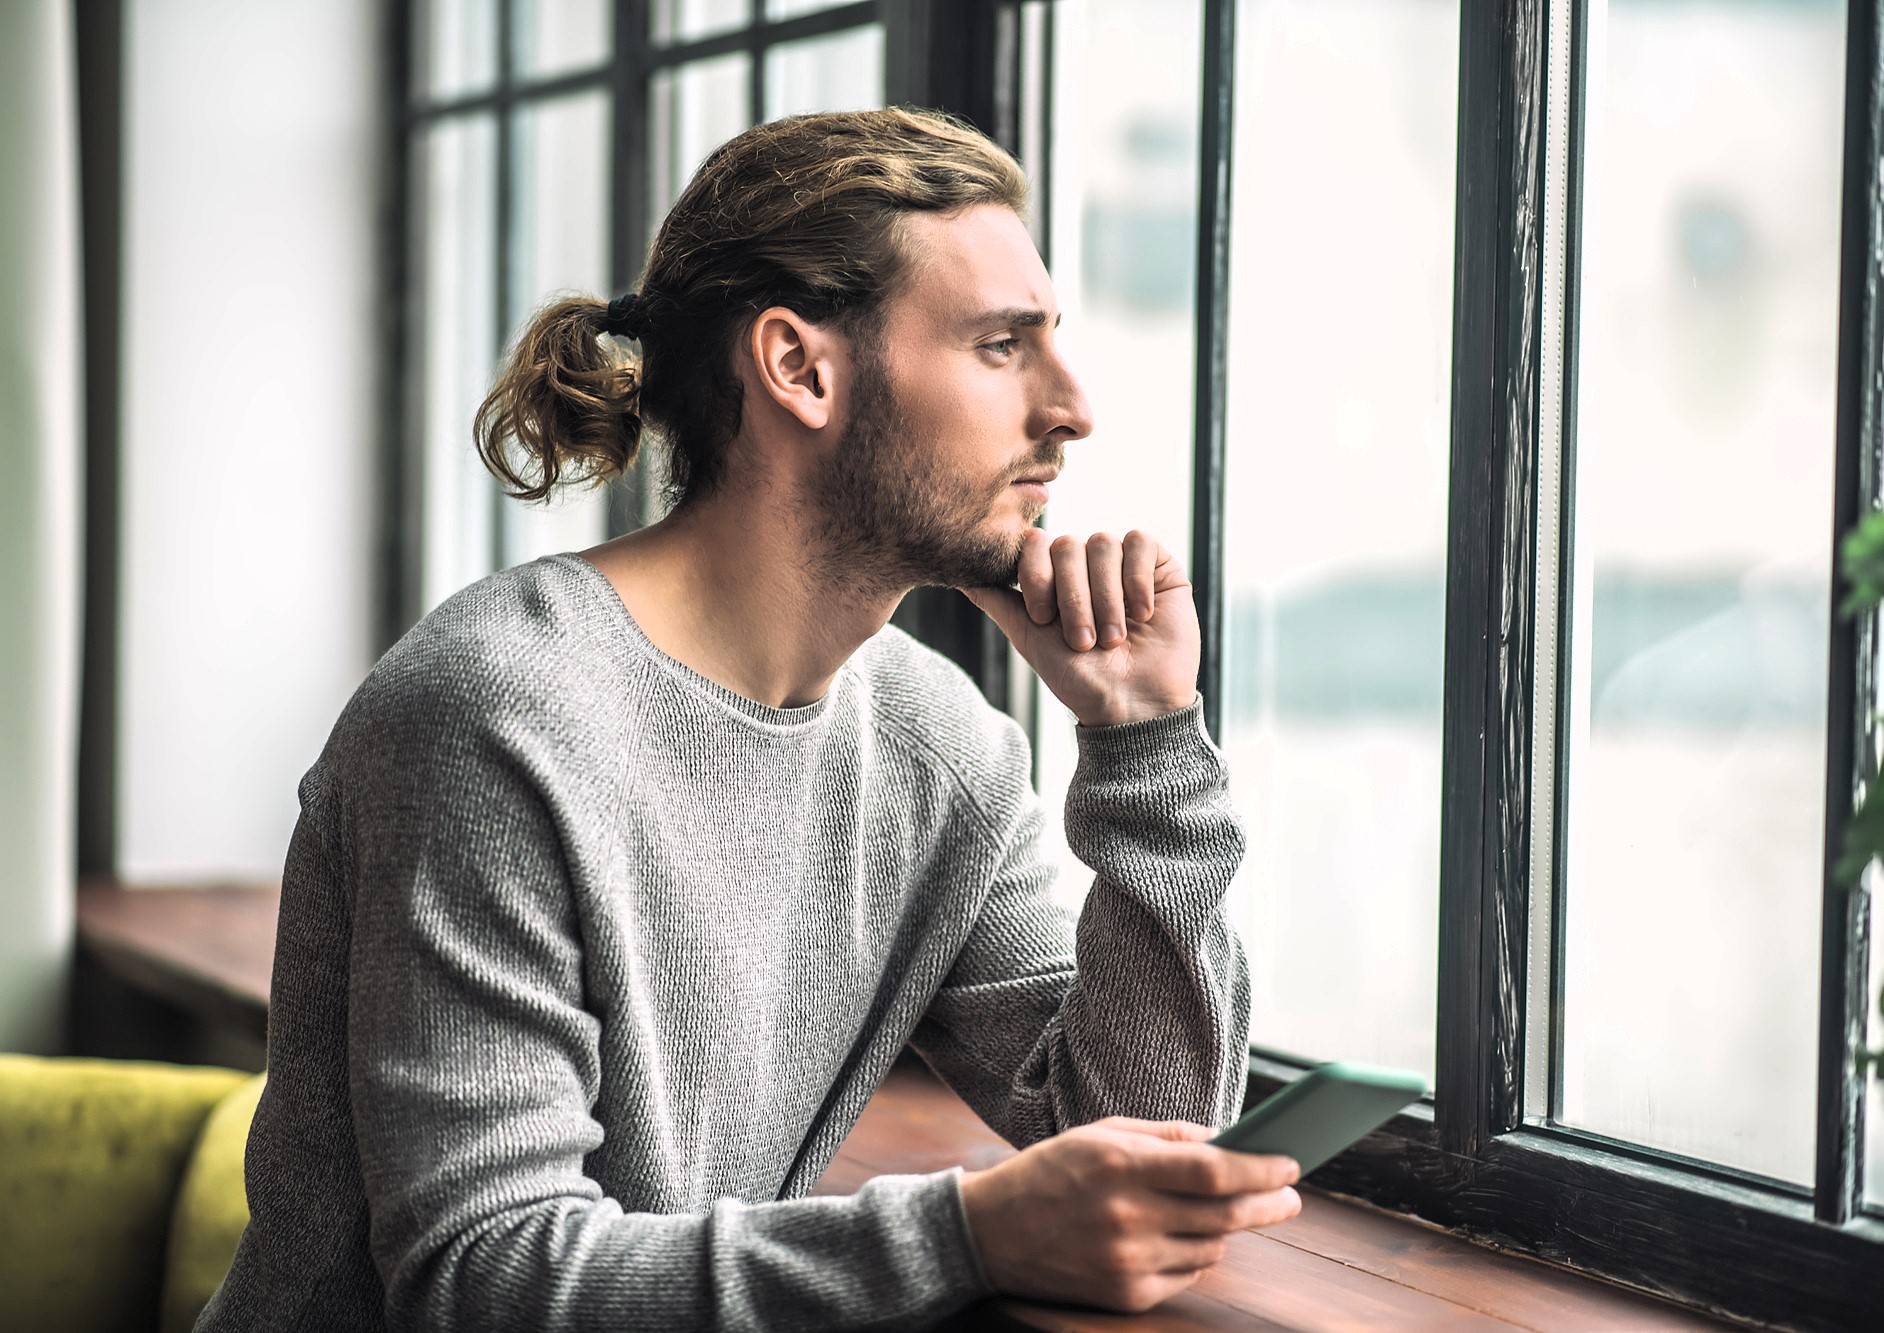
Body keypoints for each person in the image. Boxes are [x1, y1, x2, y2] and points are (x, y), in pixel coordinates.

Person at [195, 106, 1300, 1333]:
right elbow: (482, 1279)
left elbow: (1132, 1135)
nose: (1071, 407)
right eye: (1001, 346)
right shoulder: (492, 718)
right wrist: (964, 1232)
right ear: (797, 368)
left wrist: (1144, 740)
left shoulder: (937, 748)